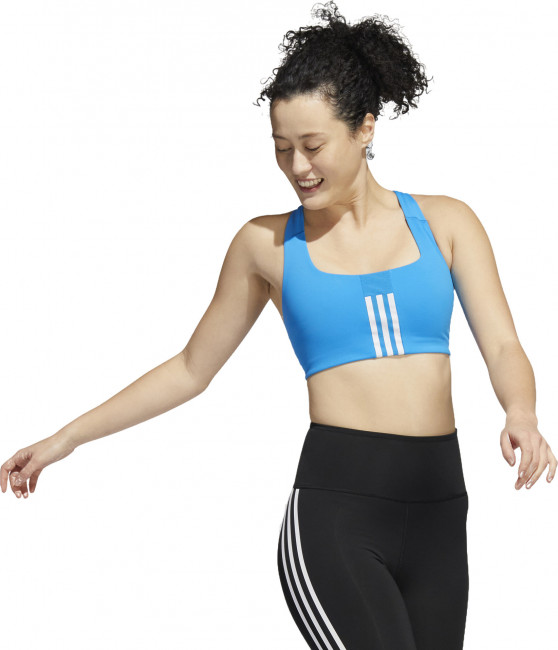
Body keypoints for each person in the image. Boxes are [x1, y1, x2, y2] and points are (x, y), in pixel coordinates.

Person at [1, 2, 555, 648]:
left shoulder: (448, 223)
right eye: (281, 149)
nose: (298, 168)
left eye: (312, 147)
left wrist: (521, 411)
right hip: (337, 512)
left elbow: (503, 344)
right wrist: (67, 438)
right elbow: (190, 369)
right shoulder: (265, 246)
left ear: (366, 128)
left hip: (440, 506)